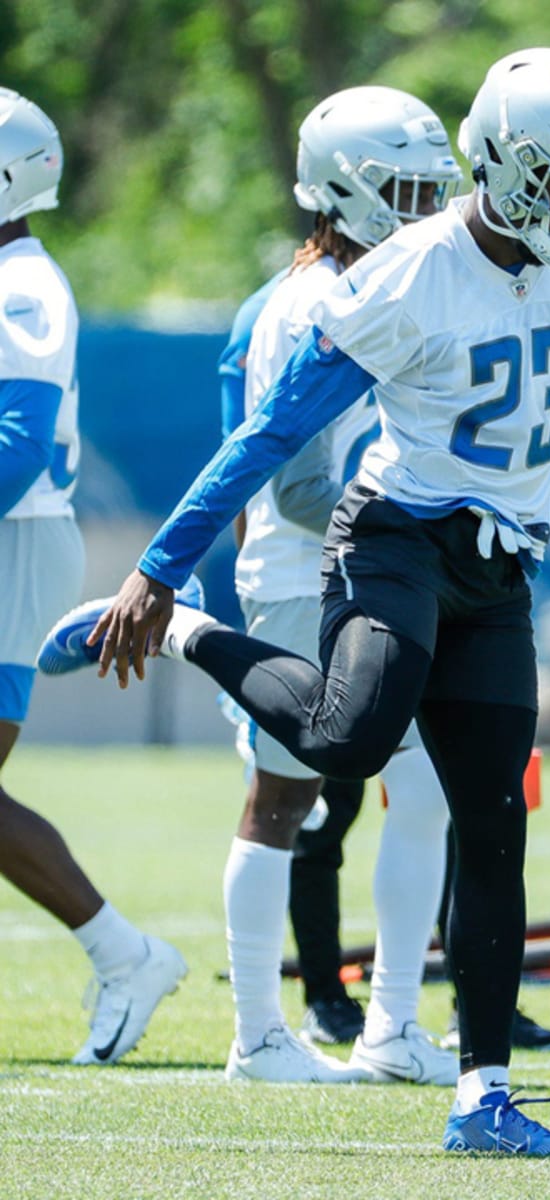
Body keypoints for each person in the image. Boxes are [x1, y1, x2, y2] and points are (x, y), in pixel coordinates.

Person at [42, 48, 550, 1155]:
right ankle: (202, 636)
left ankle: (482, 1094)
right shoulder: (404, 277)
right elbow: (272, 436)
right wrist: (160, 572)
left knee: (493, 826)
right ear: (500, 163)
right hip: (394, 534)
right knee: (347, 743)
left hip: (499, 565)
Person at [213, 85, 463, 1084]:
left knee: (424, 790)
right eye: (403, 187)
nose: (423, 206)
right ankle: (258, 1034)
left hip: (359, 580)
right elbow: (303, 479)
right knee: (282, 797)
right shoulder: (314, 302)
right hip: (304, 580)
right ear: (344, 191)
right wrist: (414, 530)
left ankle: (393, 1025)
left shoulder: (379, 287)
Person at [0, 87, 186, 1065]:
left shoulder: (21, 284)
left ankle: (125, 954)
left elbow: (20, 442)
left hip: (13, 536)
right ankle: (124, 953)